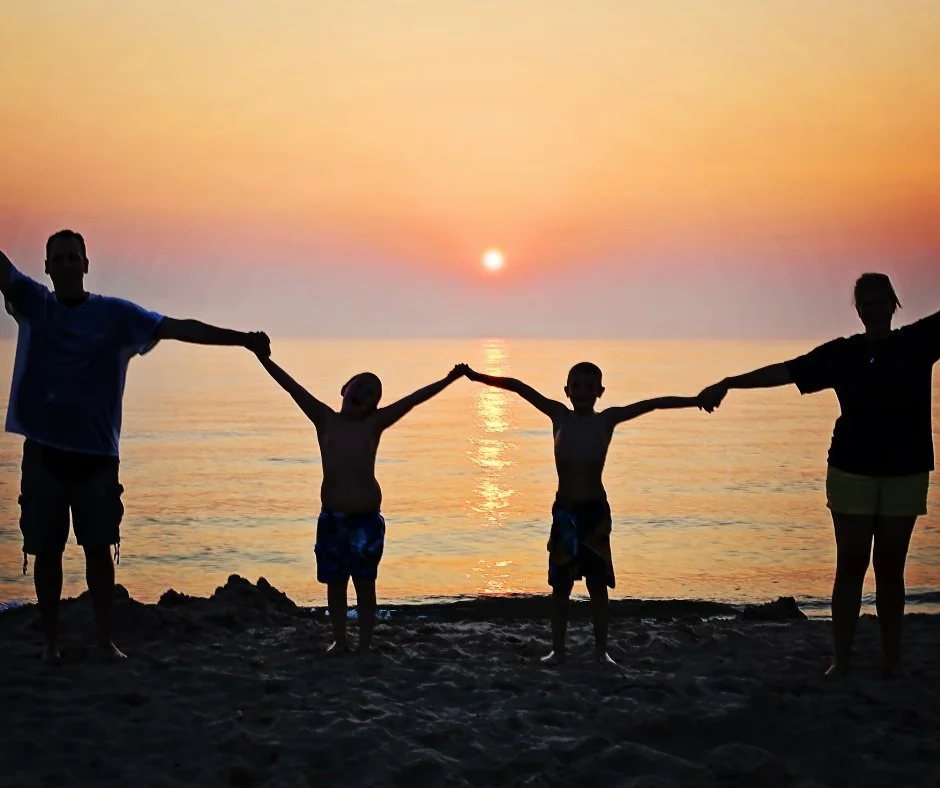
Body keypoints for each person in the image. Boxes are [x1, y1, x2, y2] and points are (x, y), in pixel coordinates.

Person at [0, 230, 270, 663]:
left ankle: (105, 641)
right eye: (59, 259)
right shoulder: (34, 303)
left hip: (96, 458)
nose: (68, 265)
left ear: (87, 264)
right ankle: (51, 646)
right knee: (46, 553)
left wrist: (242, 338)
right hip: (45, 455)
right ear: (47, 267)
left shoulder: (116, 315)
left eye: (74, 258)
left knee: (99, 549)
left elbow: (179, 328)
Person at [699, 273, 939, 677]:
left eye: (881, 302)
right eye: (867, 303)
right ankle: (841, 661)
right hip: (851, 468)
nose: (875, 310)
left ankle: (892, 662)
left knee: (891, 567)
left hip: (905, 468)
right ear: (858, 309)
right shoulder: (842, 354)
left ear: (895, 304)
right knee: (851, 564)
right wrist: (729, 383)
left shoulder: (917, 342)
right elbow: (786, 371)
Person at [464, 361, 713, 664]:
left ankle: (600, 651)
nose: (582, 392)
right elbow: (518, 387)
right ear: (567, 390)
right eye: (576, 386)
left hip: (594, 512)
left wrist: (695, 401)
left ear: (600, 392)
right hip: (565, 514)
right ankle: (558, 649)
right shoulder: (558, 414)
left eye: (589, 387)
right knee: (561, 586)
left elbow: (653, 404)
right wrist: (477, 376)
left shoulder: (607, 420)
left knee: (597, 585)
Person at [254, 349, 466, 655]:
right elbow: (291, 386)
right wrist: (263, 357)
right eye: (361, 385)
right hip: (333, 519)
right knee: (336, 584)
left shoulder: (374, 424)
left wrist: (449, 379)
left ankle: (365, 644)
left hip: (366, 520)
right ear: (345, 388)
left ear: (374, 406)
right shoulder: (324, 419)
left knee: (365, 585)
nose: (364, 392)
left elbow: (414, 399)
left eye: (372, 393)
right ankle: (340, 641)